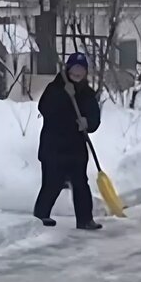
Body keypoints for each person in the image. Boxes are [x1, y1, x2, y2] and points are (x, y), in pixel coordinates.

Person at [34, 52, 103, 231]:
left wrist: (87, 122)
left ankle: (85, 219)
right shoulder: (55, 88)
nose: (77, 72)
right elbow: (45, 108)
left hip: (76, 148)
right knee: (52, 183)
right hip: (54, 145)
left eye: (81, 69)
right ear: (68, 69)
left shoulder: (87, 93)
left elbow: (95, 118)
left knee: (80, 183)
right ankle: (40, 216)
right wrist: (64, 95)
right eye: (74, 68)